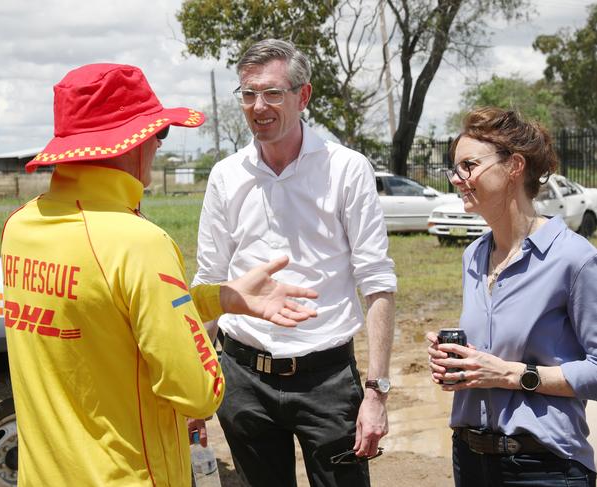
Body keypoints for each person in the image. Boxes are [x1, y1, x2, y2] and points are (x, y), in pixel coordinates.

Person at [1, 63, 318, 487]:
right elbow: (197, 393)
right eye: (160, 134)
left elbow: (106, 320)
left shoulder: (20, 227)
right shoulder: (138, 242)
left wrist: (218, 298)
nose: (158, 147)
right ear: (134, 144)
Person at [192, 39, 397, 487]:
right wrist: (194, 382)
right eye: (248, 94)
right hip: (244, 377)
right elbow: (209, 282)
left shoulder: (346, 169)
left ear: (303, 97)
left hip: (326, 379)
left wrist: (377, 393)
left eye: (272, 93)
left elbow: (377, 283)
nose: (257, 106)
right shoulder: (226, 177)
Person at [426, 107, 597, 487]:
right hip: (470, 461)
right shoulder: (473, 255)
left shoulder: (574, 258)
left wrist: (511, 375)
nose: (457, 179)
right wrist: (455, 361)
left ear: (515, 166)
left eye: (468, 165)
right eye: (454, 168)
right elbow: (490, 356)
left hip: (545, 468)